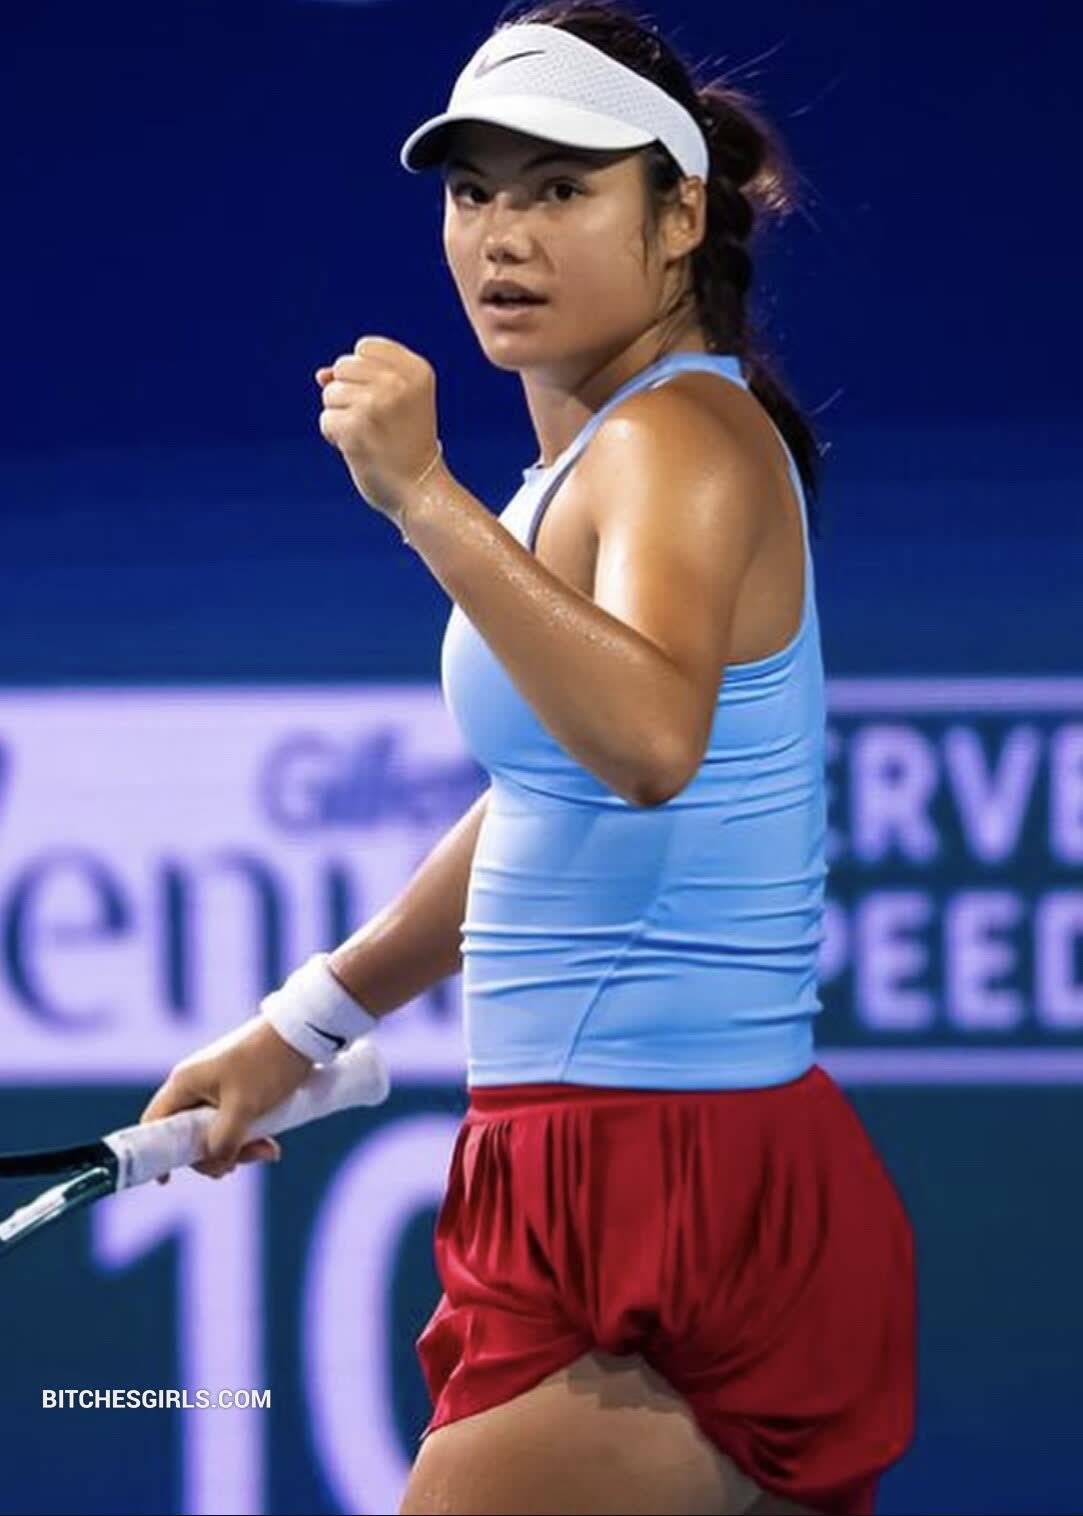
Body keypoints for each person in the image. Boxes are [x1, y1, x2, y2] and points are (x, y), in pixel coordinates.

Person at [140, 3, 916, 1512]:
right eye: (472, 191)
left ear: (678, 215)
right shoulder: (598, 455)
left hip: (675, 1192)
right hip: (598, 1165)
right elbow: (548, 796)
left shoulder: (678, 442)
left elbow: (649, 746)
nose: (503, 234)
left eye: (562, 188)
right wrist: (300, 1024)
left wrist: (422, 495)